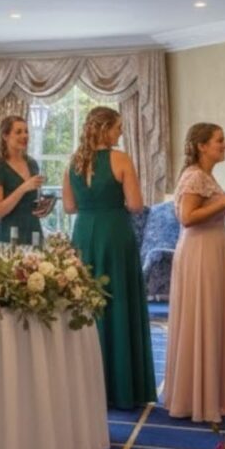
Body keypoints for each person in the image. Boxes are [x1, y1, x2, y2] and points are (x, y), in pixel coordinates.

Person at [63, 107, 155, 409]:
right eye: (117, 128)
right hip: (114, 234)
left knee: (86, 304)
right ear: (104, 130)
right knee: (118, 302)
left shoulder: (73, 162)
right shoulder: (121, 159)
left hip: (83, 234)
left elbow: (69, 208)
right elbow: (137, 205)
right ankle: (122, 386)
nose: (121, 133)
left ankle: (84, 384)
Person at [160, 123, 225, 422]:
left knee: (214, 318)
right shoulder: (195, 176)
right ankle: (195, 397)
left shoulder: (206, 175)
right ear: (202, 146)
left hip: (211, 250)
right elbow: (187, 217)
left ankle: (215, 394)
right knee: (202, 318)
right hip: (199, 253)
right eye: (219, 141)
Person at [0, 115, 52, 245]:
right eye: (18, 132)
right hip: (9, 233)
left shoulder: (32, 163)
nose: (24, 136)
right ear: (5, 136)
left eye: (26, 131)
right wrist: (23, 188)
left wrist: (43, 206)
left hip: (33, 229)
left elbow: (30, 201)